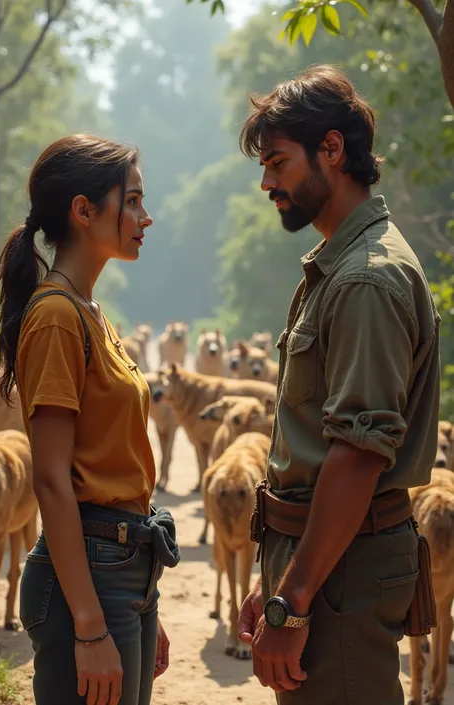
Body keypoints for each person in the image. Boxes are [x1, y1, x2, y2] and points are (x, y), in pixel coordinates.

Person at [236, 65, 440, 704]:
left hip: (342, 574)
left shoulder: (364, 281)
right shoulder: (340, 268)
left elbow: (356, 457)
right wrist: (279, 581)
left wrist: (292, 603)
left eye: (278, 162)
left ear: (332, 149)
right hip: (326, 563)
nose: (267, 182)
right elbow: (315, 445)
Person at [0, 134, 180, 705]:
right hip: (92, 574)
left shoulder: (91, 312)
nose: (147, 216)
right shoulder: (55, 317)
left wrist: (145, 600)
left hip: (124, 569)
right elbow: (50, 478)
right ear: (83, 210)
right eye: (134, 201)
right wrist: (91, 625)